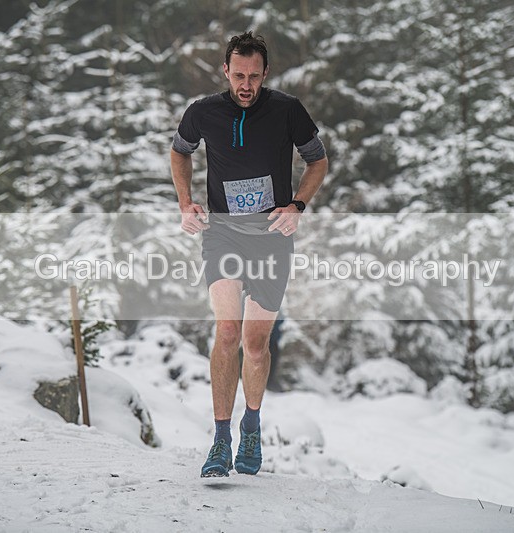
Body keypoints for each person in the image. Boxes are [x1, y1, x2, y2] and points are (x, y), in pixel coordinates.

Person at [170, 31, 328, 477]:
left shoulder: (287, 110)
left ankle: (252, 426)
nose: (245, 84)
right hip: (222, 234)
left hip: (272, 237)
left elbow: (318, 160)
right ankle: (220, 440)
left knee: (256, 344)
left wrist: (297, 206)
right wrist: (185, 203)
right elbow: (180, 153)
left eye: (253, 77)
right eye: (238, 75)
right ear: (225, 70)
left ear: (265, 75)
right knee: (227, 332)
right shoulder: (203, 113)